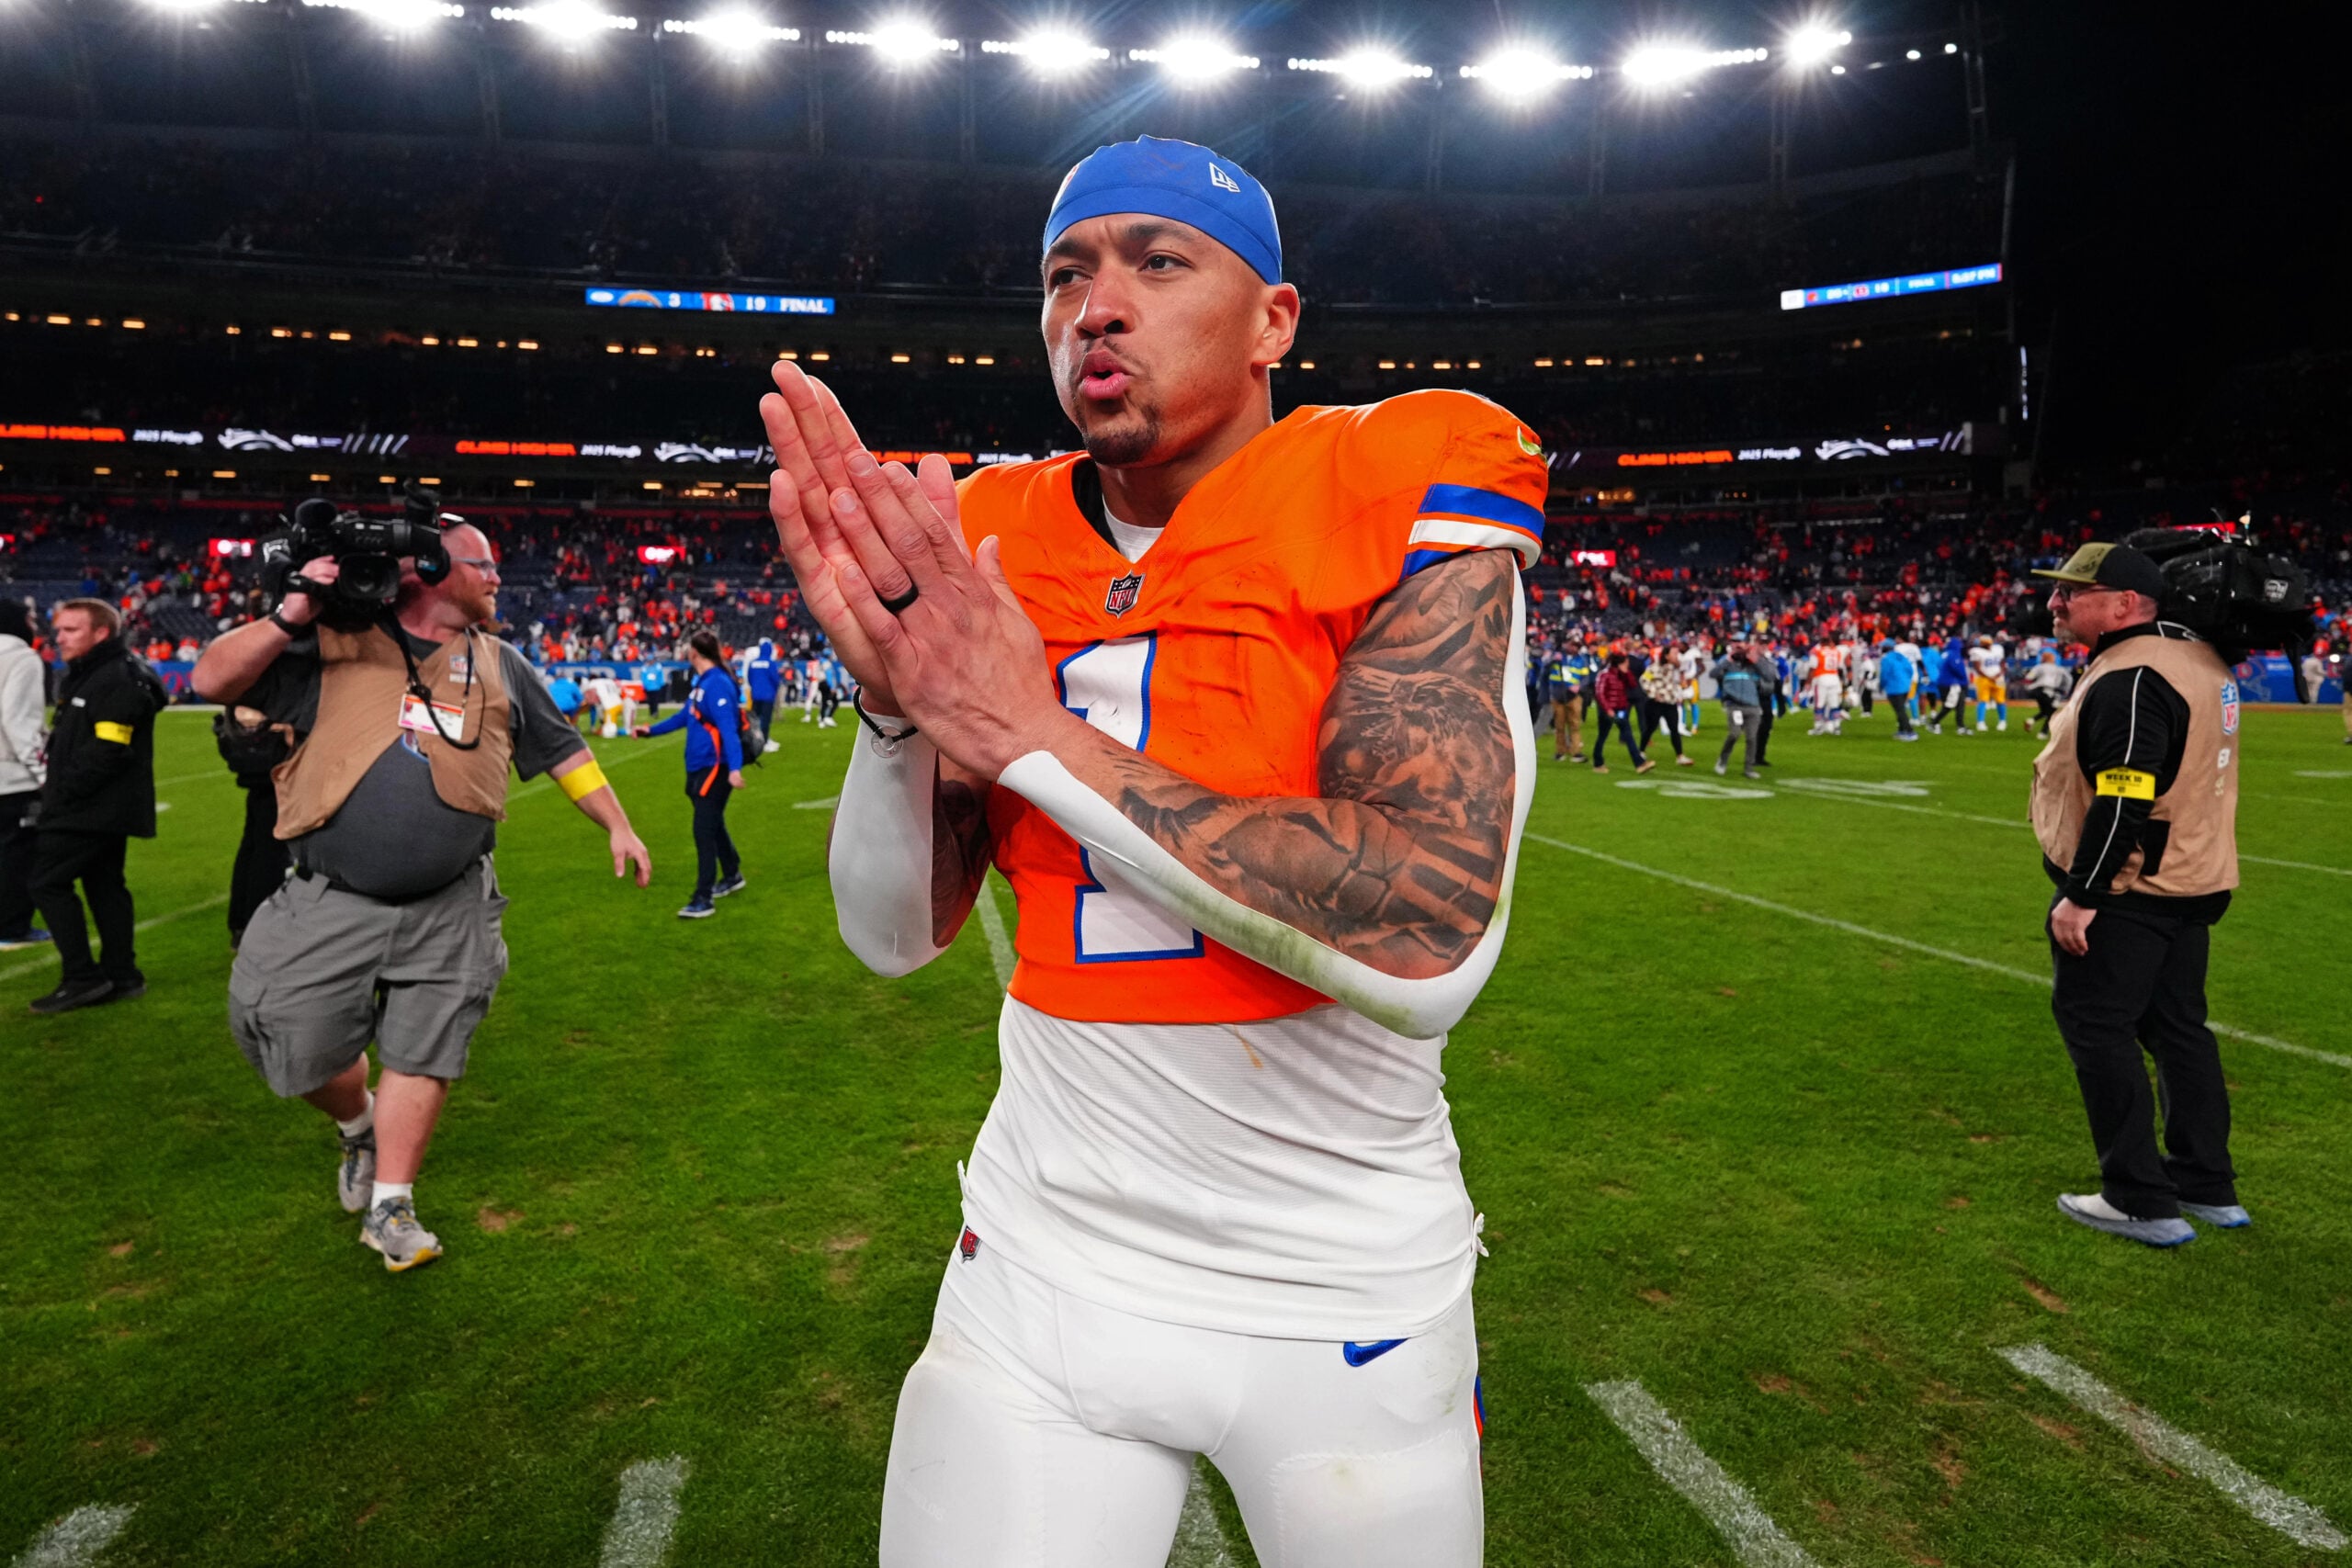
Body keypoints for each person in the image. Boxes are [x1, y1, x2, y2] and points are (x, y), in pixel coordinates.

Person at [768, 135, 1539, 1566]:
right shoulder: (989, 532)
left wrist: (1026, 731)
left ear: (1274, 322)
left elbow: (1426, 935)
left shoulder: (1396, 476)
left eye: (1156, 261)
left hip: (1343, 1283)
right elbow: (888, 935)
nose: (1095, 307)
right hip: (1045, 1255)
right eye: (1066, 273)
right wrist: (892, 711)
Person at [191, 521, 652, 1271]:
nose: (499, 578)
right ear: (435, 570)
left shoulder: (502, 660)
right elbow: (211, 680)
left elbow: (564, 748)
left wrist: (617, 825)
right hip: (330, 893)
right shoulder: (329, 645)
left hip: (453, 897)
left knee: (425, 1046)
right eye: (487, 564)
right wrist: (292, 612)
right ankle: (359, 1123)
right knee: (289, 1038)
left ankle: (391, 1204)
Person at [2028, 543, 2245, 1249]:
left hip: (2133, 885)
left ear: (2125, 603)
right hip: (2193, 876)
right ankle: (2206, 1183)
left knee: (2096, 1023)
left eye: (2073, 591)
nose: (2056, 603)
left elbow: (2126, 795)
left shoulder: (2133, 673)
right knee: (2179, 1028)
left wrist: (2083, 893)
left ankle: (2138, 1195)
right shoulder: (2200, 659)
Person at [27, 599, 167, 1014]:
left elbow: (110, 748)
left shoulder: (113, 678)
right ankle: (122, 975)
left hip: (89, 806)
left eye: (71, 630)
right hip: (102, 806)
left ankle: (82, 977)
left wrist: (64, 790)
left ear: (101, 633)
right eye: (60, 629)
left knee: (46, 882)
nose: (59, 637)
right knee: (105, 885)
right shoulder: (101, 673)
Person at [636, 629, 746, 919]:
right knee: (713, 824)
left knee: (703, 830)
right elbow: (684, 717)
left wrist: (734, 769)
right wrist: (651, 731)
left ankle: (703, 897)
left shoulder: (718, 684)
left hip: (715, 767)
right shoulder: (703, 683)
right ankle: (732, 873)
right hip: (700, 766)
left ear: (695, 653)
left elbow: (728, 730)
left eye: (687, 648)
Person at [0, 598, 48, 952]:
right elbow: (19, 722)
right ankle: (12, 925)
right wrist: (44, 774)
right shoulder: (21, 658)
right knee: (17, 856)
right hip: (11, 777)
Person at [1709, 640, 1770, 778]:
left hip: (1753, 705)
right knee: (1734, 734)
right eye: (1738, 649)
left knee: (1752, 738)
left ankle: (1748, 768)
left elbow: (1769, 676)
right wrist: (1727, 660)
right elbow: (1712, 674)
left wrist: (1756, 661)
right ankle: (1723, 760)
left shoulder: (1754, 665)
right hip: (1734, 705)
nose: (1740, 653)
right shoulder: (1728, 665)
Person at [1591, 650, 1652, 775]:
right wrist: (1607, 709)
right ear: (1619, 664)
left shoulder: (1622, 675)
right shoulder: (1605, 675)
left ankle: (1639, 763)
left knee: (1628, 736)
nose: (1628, 666)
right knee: (1603, 736)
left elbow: (1633, 684)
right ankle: (1598, 762)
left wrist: (1627, 674)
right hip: (1608, 711)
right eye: (1626, 663)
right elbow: (1600, 693)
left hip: (1620, 709)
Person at [1636, 641, 1693, 764]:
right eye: (1674, 653)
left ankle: (1680, 756)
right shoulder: (1654, 667)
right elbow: (1643, 680)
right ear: (1666, 656)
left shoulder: (1676, 668)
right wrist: (1652, 693)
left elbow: (1679, 682)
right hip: (1655, 703)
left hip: (1670, 702)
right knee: (1651, 728)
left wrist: (1679, 694)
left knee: (1674, 728)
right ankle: (1641, 751)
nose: (1677, 656)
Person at [1551, 635, 1595, 761]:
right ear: (1567, 644)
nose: (1574, 648)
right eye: (1572, 645)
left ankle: (1576, 752)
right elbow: (1546, 668)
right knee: (1559, 726)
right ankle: (1560, 751)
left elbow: (1586, 677)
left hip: (1574, 696)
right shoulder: (1557, 657)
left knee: (1575, 725)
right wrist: (1553, 659)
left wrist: (1579, 686)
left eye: (1577, 646)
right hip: (1558, 694)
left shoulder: (1582, 660)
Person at [745, 637, 785, 752]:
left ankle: (753, 740)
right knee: (765, 720)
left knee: (754, 719)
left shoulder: (753, 663)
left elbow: (749, 677)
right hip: (767, 696)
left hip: (755, 695)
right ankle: (764, 742)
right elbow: (775, 679)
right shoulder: (770, 663)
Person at [2023, 648, 2072, 737]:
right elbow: (2069, 679)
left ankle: (2031, 721)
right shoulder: (2059, 669)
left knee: (2045, 711)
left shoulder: (2039, 667)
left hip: (2037, 691)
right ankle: (2043, 733)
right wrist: (2065, 690)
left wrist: (2029, 686)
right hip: (2050, 691)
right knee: (2052, 712)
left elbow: (2029, 677)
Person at [1878, 637, 1918, 740]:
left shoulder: (1886, 659)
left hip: (1894, 687)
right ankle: (1902, 730)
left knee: (1900, 711)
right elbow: (1910, 669)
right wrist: (1906, 680)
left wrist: (1881, 686)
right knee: (1901, 709)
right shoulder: (1901, 657)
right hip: (1905, 686)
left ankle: (1910, 731)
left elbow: (1884, 675)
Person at [1971, 634, 2011, 732]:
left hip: (1998, 678)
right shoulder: (1976, 652)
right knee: (1983, 700)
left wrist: (1999, 674)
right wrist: (1990, 677)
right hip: (1983, 678)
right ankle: (1980, 722)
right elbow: (1977, 668)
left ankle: (2002, 721)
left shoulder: (1998, 649)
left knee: (2001, 700)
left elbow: (2002, 663)